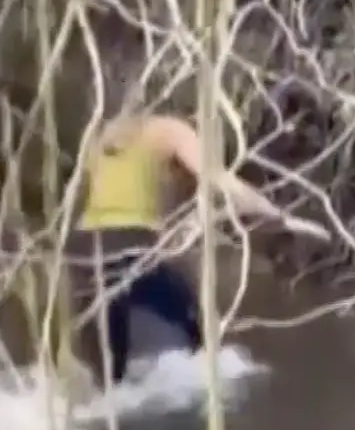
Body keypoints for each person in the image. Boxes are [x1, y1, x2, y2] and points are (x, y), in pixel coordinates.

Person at [60, 111, 328, 387]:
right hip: (129, 244)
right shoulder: (167, 129)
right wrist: (276, 215)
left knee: (107, 369)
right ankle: (205, 377)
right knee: (191, 321)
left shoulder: (101, 137)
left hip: (81, 247)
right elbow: (219, 179)